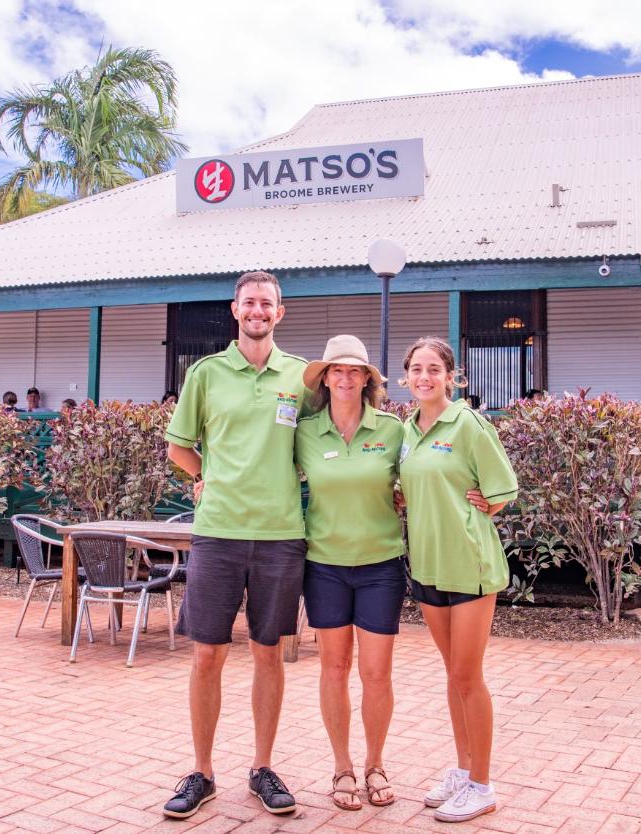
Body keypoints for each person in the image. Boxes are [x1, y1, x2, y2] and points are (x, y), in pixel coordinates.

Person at [162, 270, 310, 820]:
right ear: (234, 309)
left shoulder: (301, 377)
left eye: (266, 303)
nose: (257, 311)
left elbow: (319, 445)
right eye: (249, 302)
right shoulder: (206, 374)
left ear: (279, 312)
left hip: (280, 535)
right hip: (219, 533)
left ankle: (263, 767)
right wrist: (207, 477)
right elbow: (179, 446)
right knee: (207, 655)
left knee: (269, 654)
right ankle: (201, 772)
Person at [398, 336, 518, 823]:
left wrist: (488, 504)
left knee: (468, 676)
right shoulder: (406, 430)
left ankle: (483, 785)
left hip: (469, 565)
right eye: (415, 369)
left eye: (433, 369)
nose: (424, 377)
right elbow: (406, 485)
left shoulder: (468, 423)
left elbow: (503, 487)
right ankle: (464, 769)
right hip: (428, 564)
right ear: (406, 376)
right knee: (453, 675)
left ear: (452, 376)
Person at [294, 335, 405, 812]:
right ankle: (341, 767)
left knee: (376, 674)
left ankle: (376, 763)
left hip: (381, 565)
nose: (344, 378)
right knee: (334, 669)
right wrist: (205, 482)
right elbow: (264, 472)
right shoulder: (303, 432)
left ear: (366, 380)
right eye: (336, 370)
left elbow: (422, 473)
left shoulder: (393, 429)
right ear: (324, 378)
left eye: (354, 371)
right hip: (324, 566)